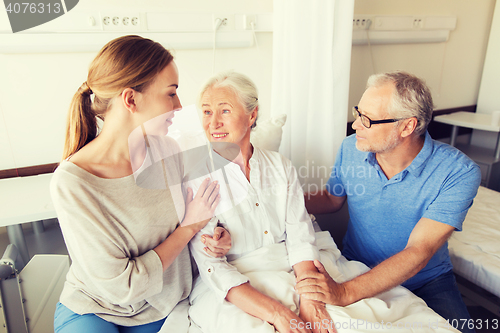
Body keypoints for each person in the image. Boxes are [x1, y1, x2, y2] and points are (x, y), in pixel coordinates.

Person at [50, 35, 228, 333]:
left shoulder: (168, 151)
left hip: (164, 306)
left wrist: (217, 236)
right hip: (97, 309)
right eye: (171, 93)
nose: (180, 105)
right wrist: (189, 228)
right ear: (131, 99)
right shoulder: (73, 184)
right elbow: (123, 286)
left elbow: (198, 220)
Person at [298, 71, 481, 333]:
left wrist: (345, 293)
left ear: (407, 126)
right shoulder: (352, 148)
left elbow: (418, 252)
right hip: (355, 267)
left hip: (426, 281)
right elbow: (331, 199)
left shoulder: (458, 172)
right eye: (357, 113)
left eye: (367, 119)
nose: (355, 125)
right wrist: (282, 200)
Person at [185, 71, 335, 333]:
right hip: (235, 284)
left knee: (343, 322)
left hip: (292, 269)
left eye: (225, 111)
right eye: (207, 112)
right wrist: (277, 313)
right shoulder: (197, 177)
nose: (214, 122)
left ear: (251, 115)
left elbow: (300, 236)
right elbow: (211, 265)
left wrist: (310, 299)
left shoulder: (280, 166)